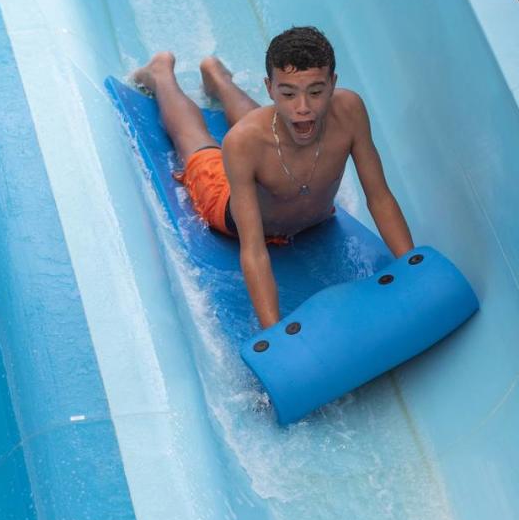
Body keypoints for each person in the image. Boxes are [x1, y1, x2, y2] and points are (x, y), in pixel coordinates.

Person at [131, 26, 414, 329]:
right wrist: (274, 330)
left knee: (278, 124)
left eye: (316, 92)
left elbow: (380, 196)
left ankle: (217, 78)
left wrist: (413, 268)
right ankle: (161, 74)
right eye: (288, 93)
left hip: (312, 215)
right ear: (270, 88)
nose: (303, 106)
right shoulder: (243, 143)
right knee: (196, 141)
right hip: (231, 209)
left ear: (333, 84)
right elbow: (253, 249)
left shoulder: (349, 111)